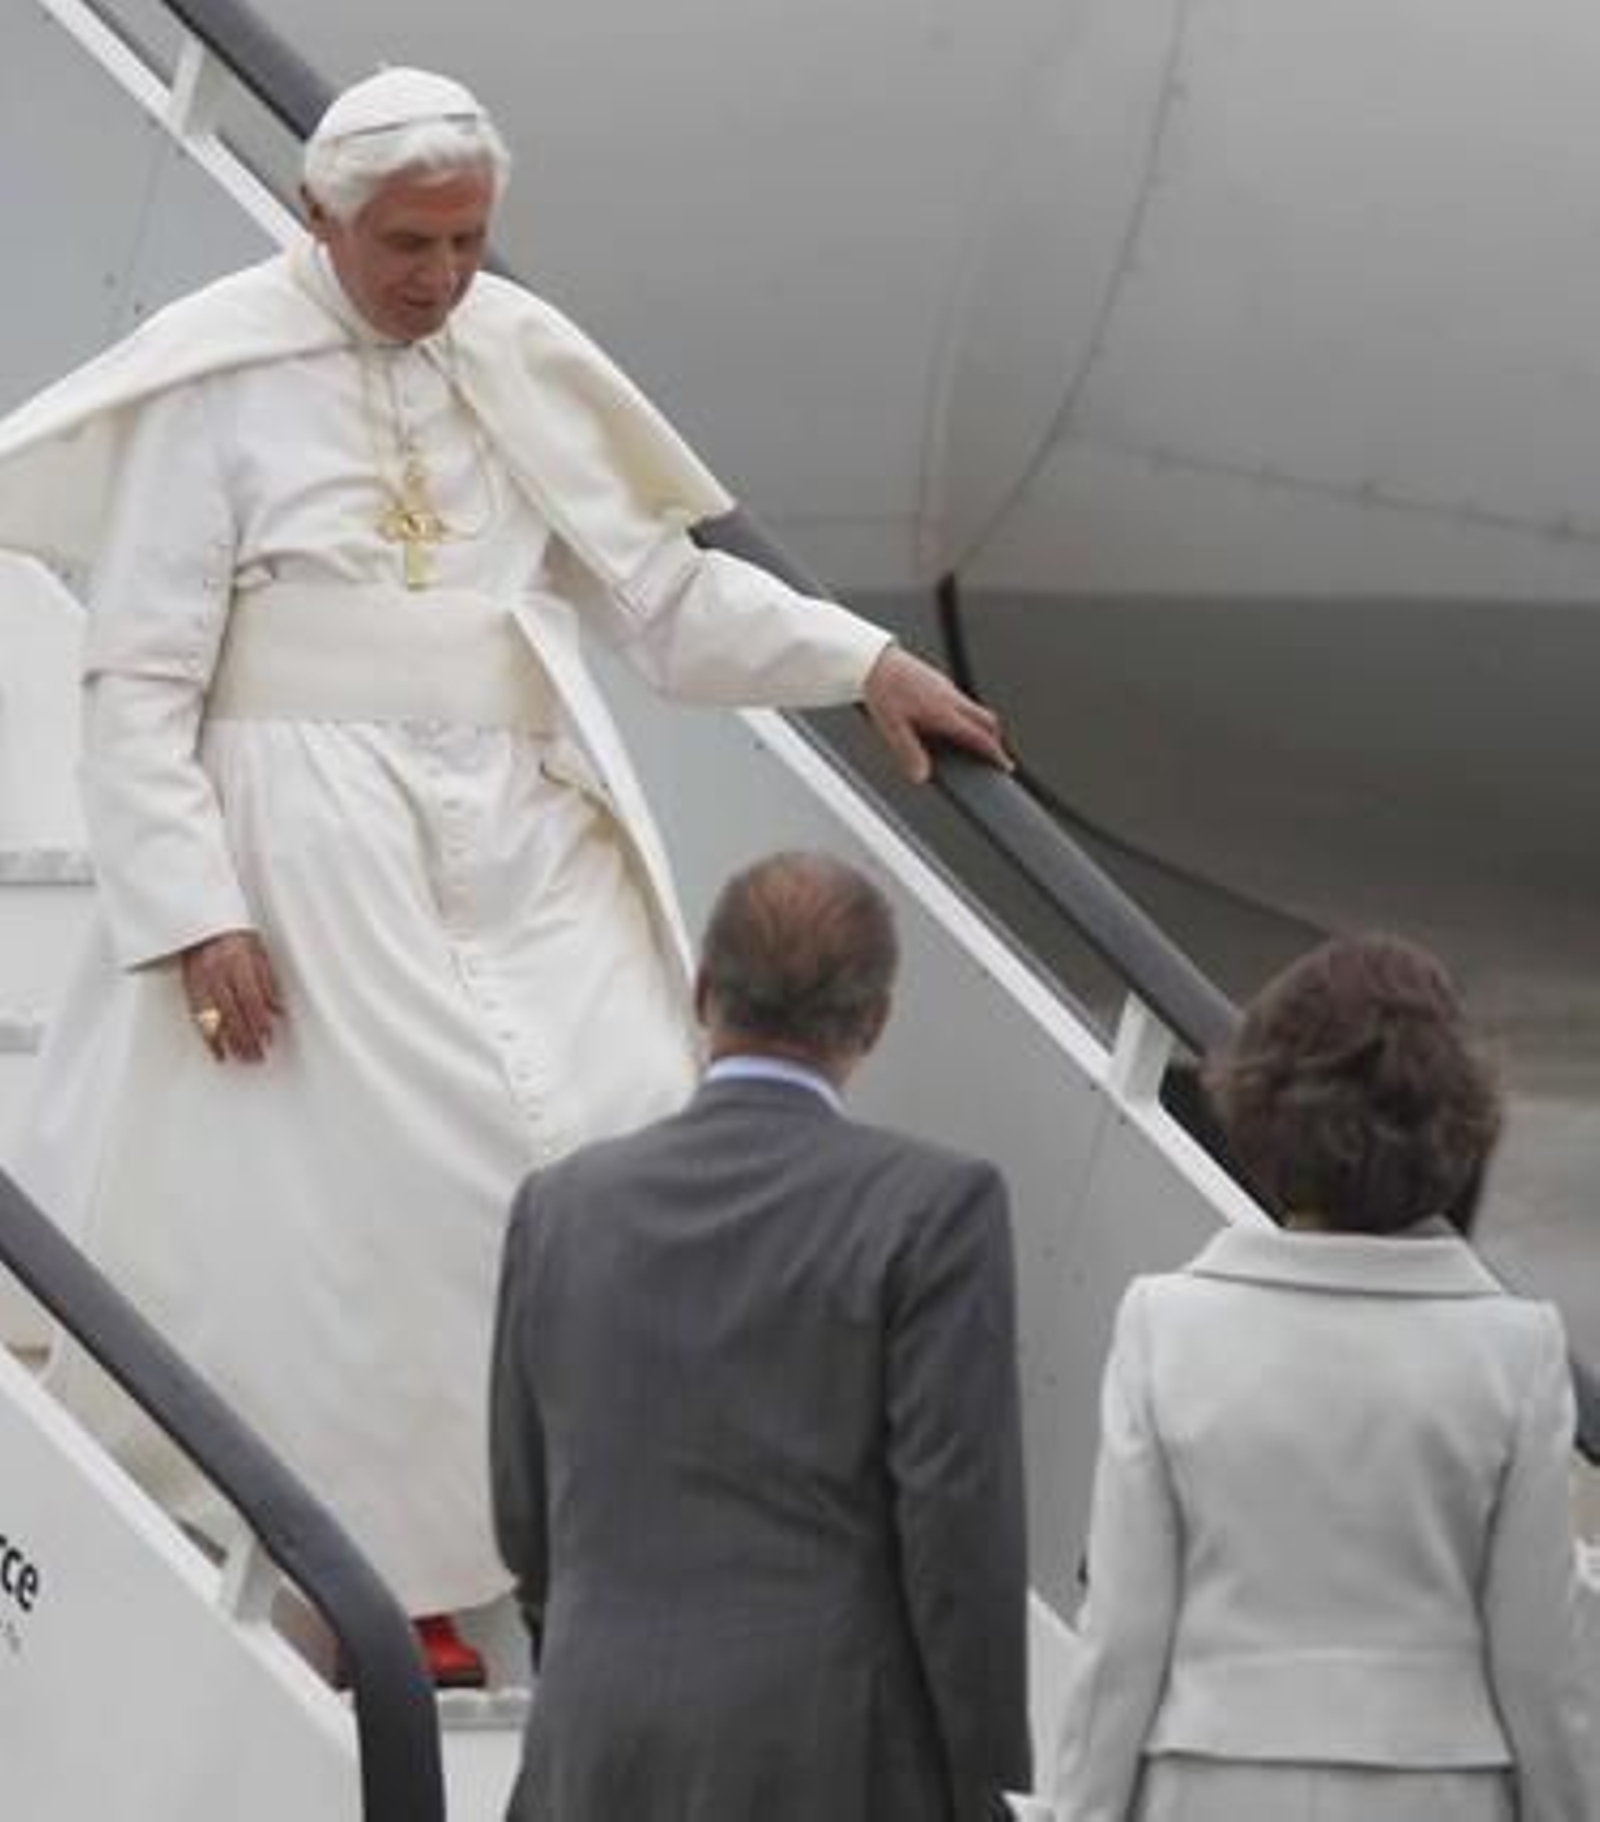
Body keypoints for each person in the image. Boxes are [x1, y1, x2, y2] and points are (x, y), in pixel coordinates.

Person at [0, 69, 1009, 1682]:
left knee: (618, 1126)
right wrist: (196, 908)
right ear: (324, 218)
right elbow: (136, 682)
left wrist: (863, 659)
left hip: (517, 826)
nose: (442, 277)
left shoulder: (513, 362)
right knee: (380, 1212)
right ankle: (377, 1585)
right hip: (306, 840)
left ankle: (588, 1544)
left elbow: (665, 600)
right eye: (409, 243)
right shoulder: (223, 379)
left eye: (470, 242)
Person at [489, 850, 1032, 1819]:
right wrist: (979, 1772)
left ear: (702, 990)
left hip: (593, 1735)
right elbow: (958, 1526)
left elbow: (523, 1510)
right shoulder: (934, 1209)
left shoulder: (562, 1205)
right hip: (830, 1748)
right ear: (873, 1020)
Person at [1054, 934, 1596, 1821]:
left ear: (1261, 1104)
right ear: (1457, 1130)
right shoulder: (1518, 1352)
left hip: (1208, 1784)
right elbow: (1539, 1669)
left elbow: (1122, 1644)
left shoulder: (1166, 1325)